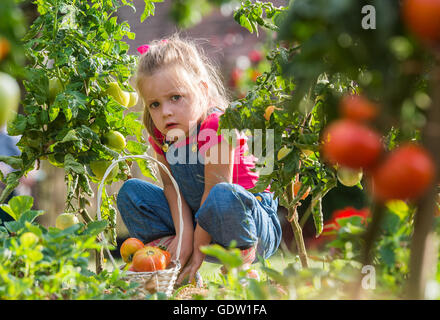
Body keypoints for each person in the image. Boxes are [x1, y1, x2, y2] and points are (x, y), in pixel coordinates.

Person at [116, 34, 282, 286]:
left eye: (175, 97)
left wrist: (197, 251)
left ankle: (239, 266)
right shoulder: (162, 135)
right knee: (131, 193)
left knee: (223, 194)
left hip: (250, 226)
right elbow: (172, 188)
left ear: (202, 91)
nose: (166, 112)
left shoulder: (219, 125)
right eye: (154, 104)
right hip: (198, 218)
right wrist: (183, 235)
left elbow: (214, 193)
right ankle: (169, 262)